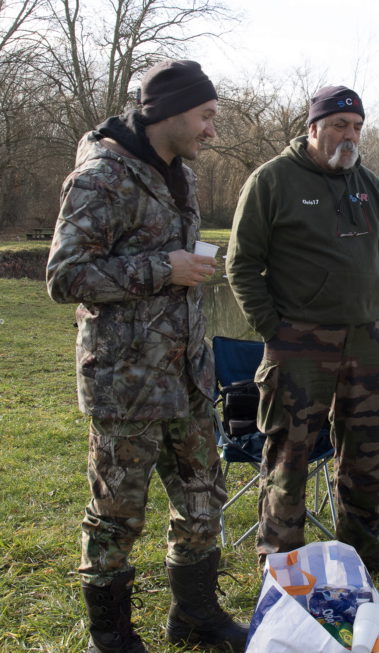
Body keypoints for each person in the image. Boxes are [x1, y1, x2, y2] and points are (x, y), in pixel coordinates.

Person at [47, 60, 248, 653]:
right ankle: (110, 638)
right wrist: (165, 269)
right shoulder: (101, 176)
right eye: (206, 116)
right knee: (117, 516)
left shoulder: (180, 175)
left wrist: (190, 266)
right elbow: (64, 277)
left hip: (187, 374)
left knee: (202, 499)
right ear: (169, 112)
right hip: (126, 382)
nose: (213, 130)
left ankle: (195, 616)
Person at [226, 85, 379, 577]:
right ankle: (282, 563)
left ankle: (363, 552)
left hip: (367, 343)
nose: (349, 136)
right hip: (300, 345)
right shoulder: (272, 181)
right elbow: (241, 265)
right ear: (313, 129)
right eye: (338, 126)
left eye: (356, 127)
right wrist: (273, 329)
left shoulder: (367, 184)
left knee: (366, 455)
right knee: (289, 454)